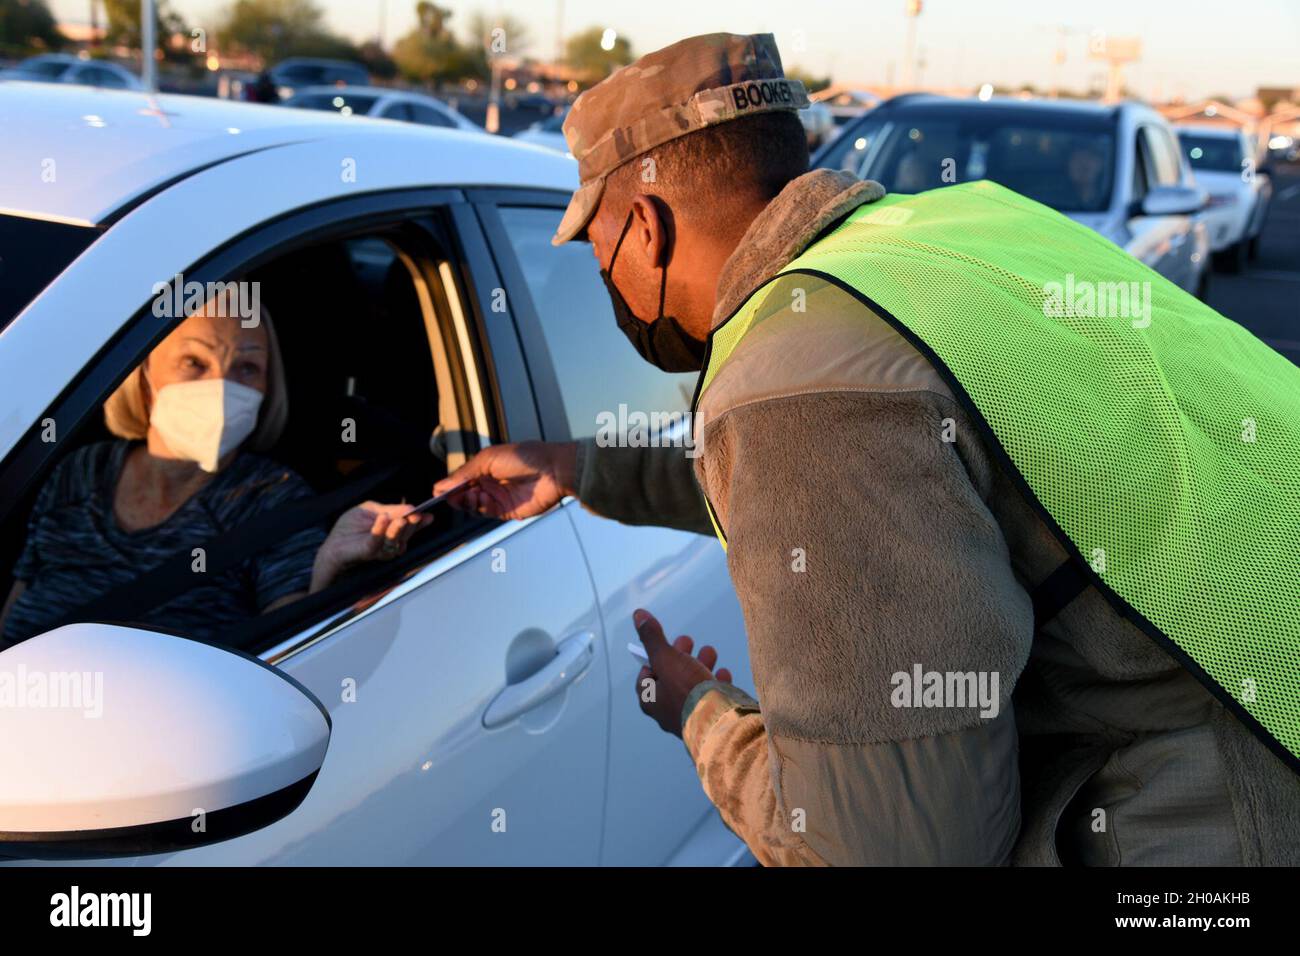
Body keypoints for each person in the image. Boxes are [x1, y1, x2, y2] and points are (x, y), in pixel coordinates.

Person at [435, 33, 1300, 865]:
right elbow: (925, 459)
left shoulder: (797, 382)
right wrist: (580, 469)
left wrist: (699, 713)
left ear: (646, 231)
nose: (605, 284)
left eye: (597, 249)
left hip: (1236, 797)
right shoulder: (953, 234)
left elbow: (890, 850)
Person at [0, 298, 428, 647]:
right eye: (194, 362)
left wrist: (334, 564)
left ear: (267, 387)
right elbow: (16, 609)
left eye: (247, 368)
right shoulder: (81, 470)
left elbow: (293, 635)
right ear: (145, 372)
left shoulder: (274, 498)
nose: (222, 387)